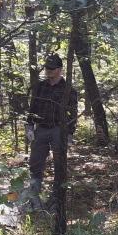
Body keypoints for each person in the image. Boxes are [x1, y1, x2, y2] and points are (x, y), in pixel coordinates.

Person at [24, 52, 78, 208]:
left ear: (60, 70)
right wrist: (29, 126)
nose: (49, 71)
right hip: (41, 129)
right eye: (47, 68)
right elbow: (33, 106)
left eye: (52, 68)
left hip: (58, 130)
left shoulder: (68, 89)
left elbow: (73, 113)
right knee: (35, 164)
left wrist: (69, 133)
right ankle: (33, 200)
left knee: (59, 165)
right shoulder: (40, 86)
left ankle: (56, 199)